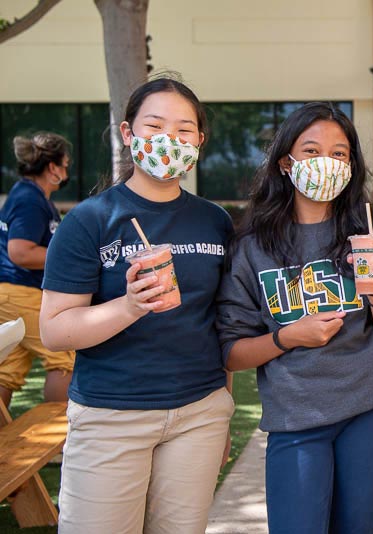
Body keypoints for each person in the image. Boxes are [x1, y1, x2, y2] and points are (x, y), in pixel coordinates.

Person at [39, 78, 234, 534]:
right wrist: (128, 306)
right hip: (111, 417)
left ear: (199, 143)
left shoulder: (215, 220)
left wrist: (222, 407)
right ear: (128, 134)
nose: (171, 138)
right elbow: (54, 330)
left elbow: (220, 323)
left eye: (185, 130)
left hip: (199, 413)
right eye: (155, 125)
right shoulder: (90, 220)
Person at [216, 102, 373, 534]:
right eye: (311, 151)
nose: (326, 162)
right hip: (295, 418)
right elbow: (232, 353)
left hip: (370, 408)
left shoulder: (372, 234)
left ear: (351, 165)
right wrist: (288, 337)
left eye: (339, 154)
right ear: (286, 162)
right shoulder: (252, 247)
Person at [0, 132, 75, 407]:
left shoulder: (29, 195)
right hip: (19, 291)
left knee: (8, 370)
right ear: (52, 167)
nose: (66, 172)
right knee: (63, 354)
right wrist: (70, 259)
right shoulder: (30, 200)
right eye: (65, 165)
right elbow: (20, 251)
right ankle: (61, 441)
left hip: (10, 293)